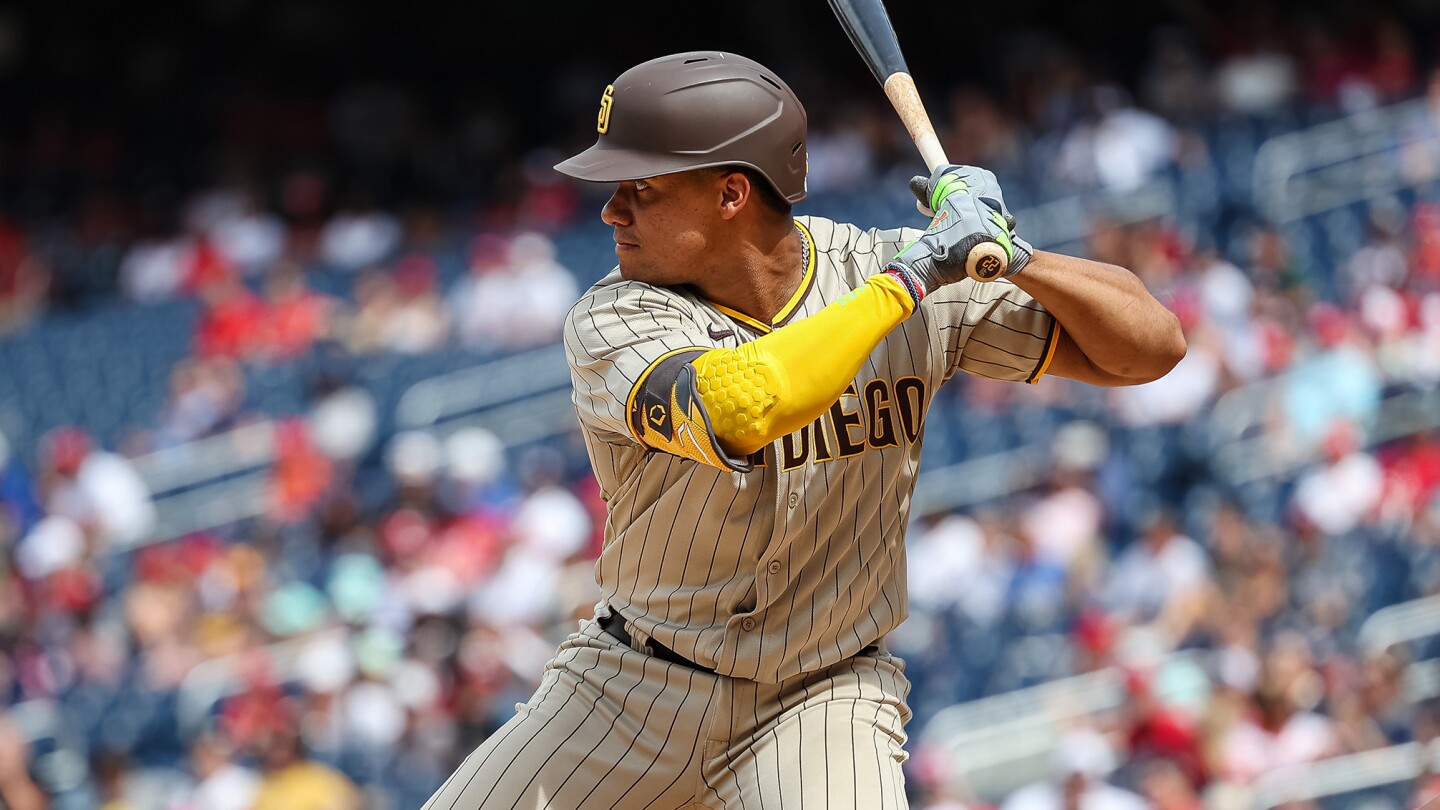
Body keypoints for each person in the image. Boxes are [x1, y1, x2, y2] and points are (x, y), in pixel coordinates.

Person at [425, 50, 1185, 809]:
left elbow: (1152, 347)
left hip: (822, 699)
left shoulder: (894, 271)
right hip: (627, 686)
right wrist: (912, 279)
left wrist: (1016, 257)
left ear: (730, 193)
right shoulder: (616, 313)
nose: (611, 210)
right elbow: (744, 406)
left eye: (641, 189)